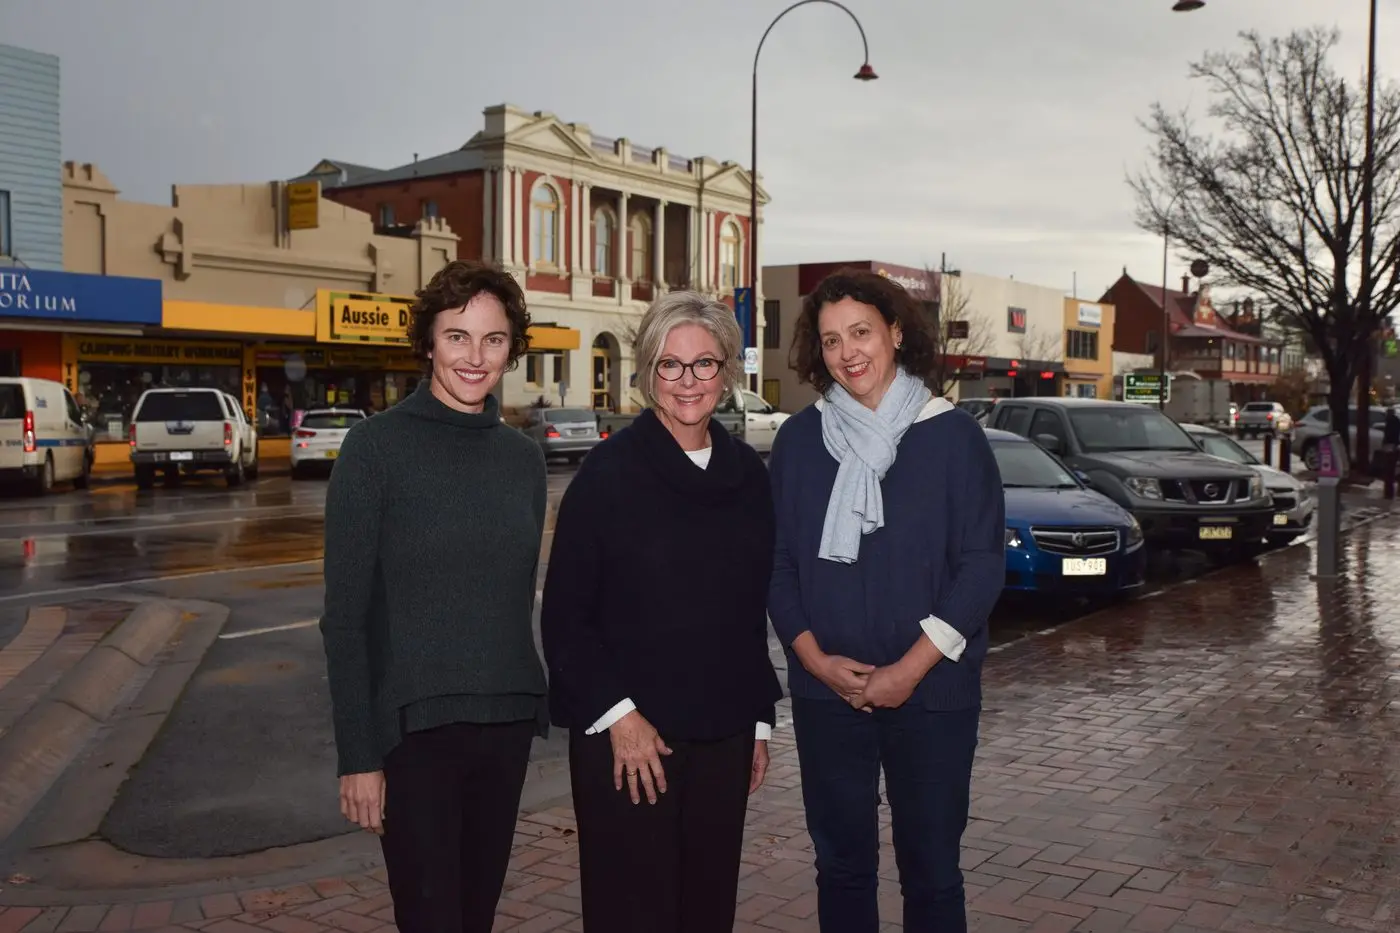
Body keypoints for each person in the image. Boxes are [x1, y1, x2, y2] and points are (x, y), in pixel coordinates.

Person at [767, 268, 1006, 933]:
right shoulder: (797, 442)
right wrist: (813, 660)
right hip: (828, 695)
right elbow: (780, 567)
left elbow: (982, 567)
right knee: (841, 867)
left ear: (896, 332)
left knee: (932, 872)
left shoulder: (953, 437)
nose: (849, 352)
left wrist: (910, 668)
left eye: (862, 332)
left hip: (933, 694)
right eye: (832, 338)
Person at [540, 290, 783, 933]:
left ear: (727, 372)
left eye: (704, 364)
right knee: (634, 913)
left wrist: (758, 722)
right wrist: (621, 719)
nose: (687, 381)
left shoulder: (747, 476)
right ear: (648, 373)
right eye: (670, 365)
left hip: (723, 737)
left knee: (706, 910)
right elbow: (565, 619)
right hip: (630, 744)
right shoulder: (608, 475)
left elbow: (746, 610)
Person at [319, 260, 548, 933]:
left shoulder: (523, 459)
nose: (475, 357)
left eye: (493, 339)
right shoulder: (374, 449)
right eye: (457, 336)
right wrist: (359, 755)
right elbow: (346, 620)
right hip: (413, 735)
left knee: (474, 916)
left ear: (512, 347)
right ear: (428, 342)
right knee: (429, 918)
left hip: (503, 721)